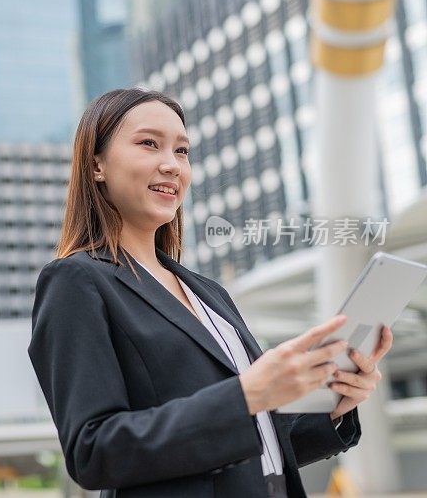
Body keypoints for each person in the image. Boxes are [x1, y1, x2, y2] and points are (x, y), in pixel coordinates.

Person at [26, 88, 393, 497]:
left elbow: (259, 445)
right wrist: (245, 395)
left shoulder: (208, 293)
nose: (172, 165)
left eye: (182, 151)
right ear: (96, 165)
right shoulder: (76, 281)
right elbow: (94, 451)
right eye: (149, 144)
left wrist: (334, 408)